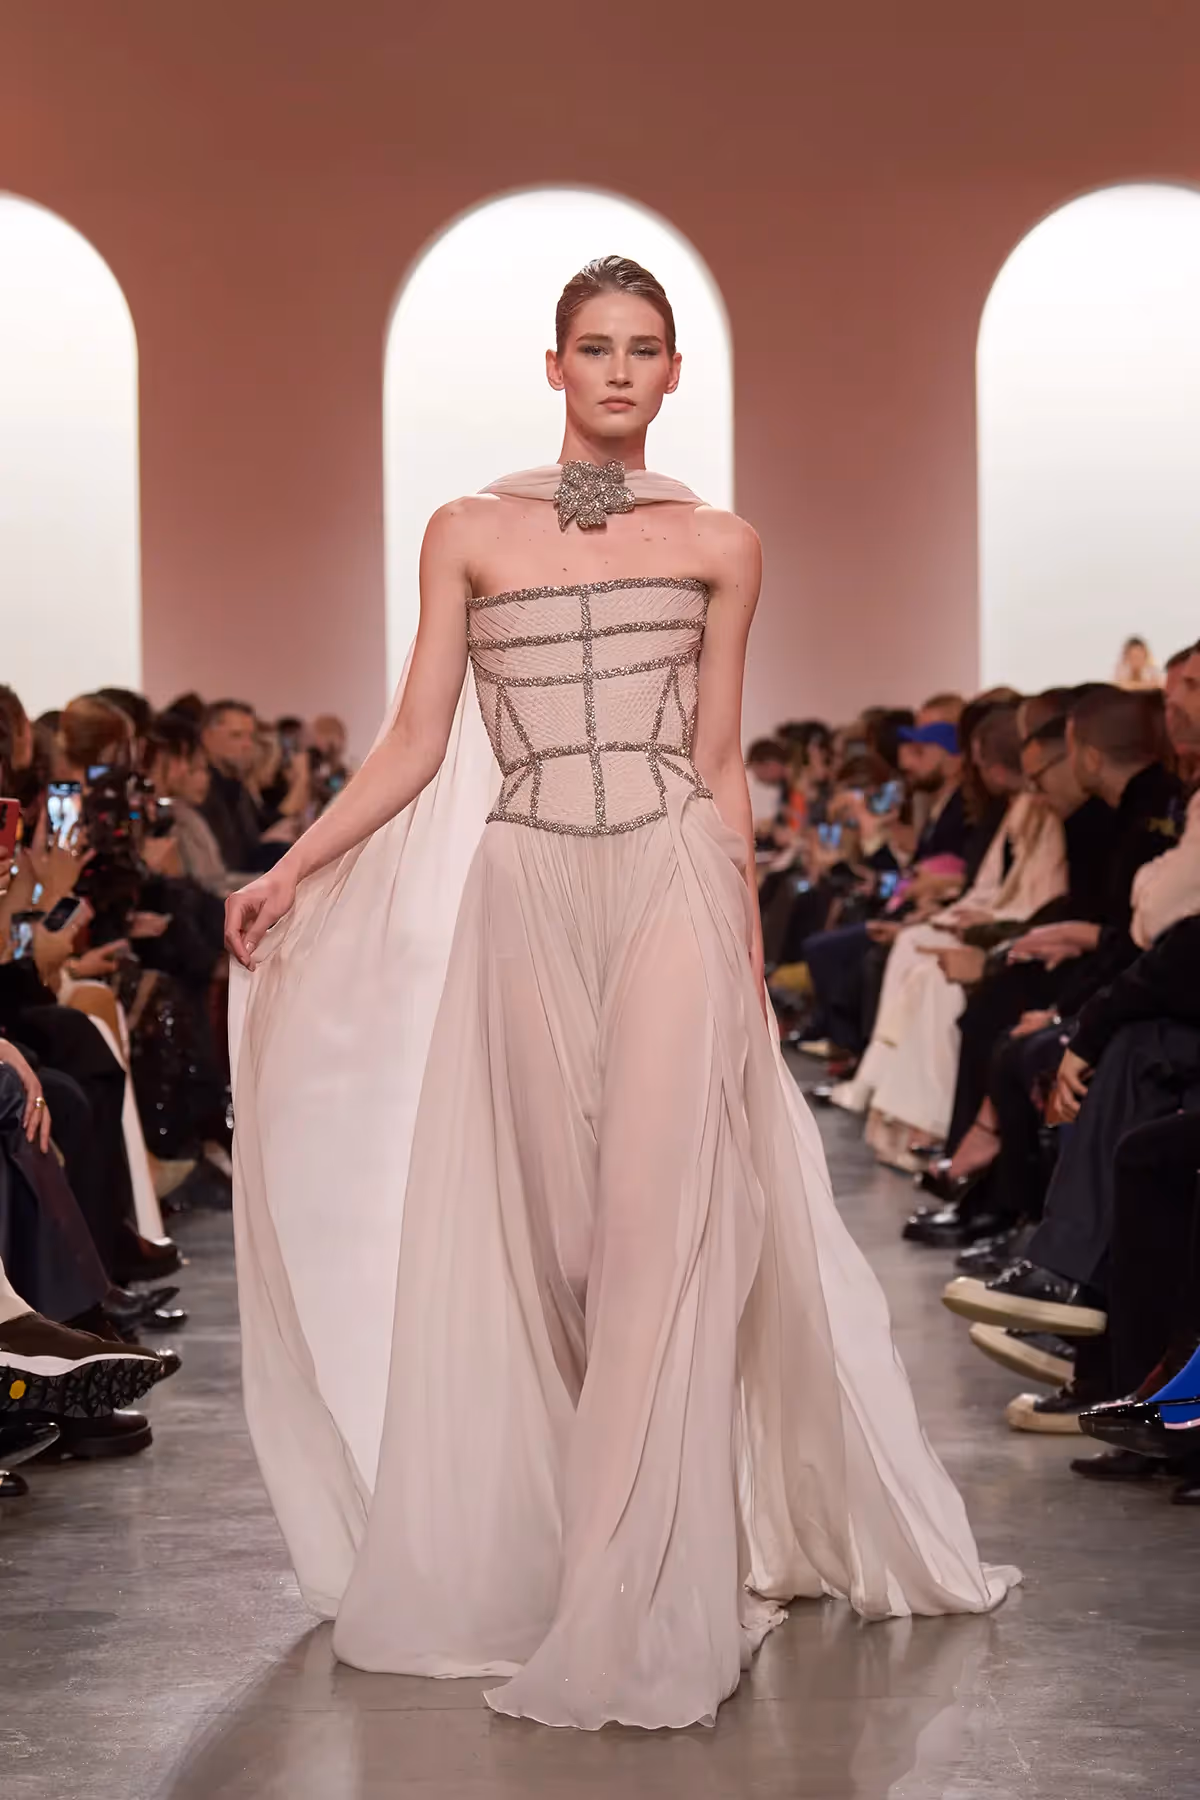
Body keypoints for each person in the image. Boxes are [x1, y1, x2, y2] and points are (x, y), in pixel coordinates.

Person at [224, 254, 1016, 1732]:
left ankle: (632, 1595)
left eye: (642, 348)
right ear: (554, 367)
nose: (617, 371)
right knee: (571, 1248)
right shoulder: (466, 530)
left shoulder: (723, 544)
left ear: (671, 374)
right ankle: (592, 1542)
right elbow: (413, 739)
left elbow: (717, 763)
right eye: (593, 346)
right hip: (525, 880)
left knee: (655, 1238)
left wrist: (745, 949)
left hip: (668, 877)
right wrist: (294, 867)